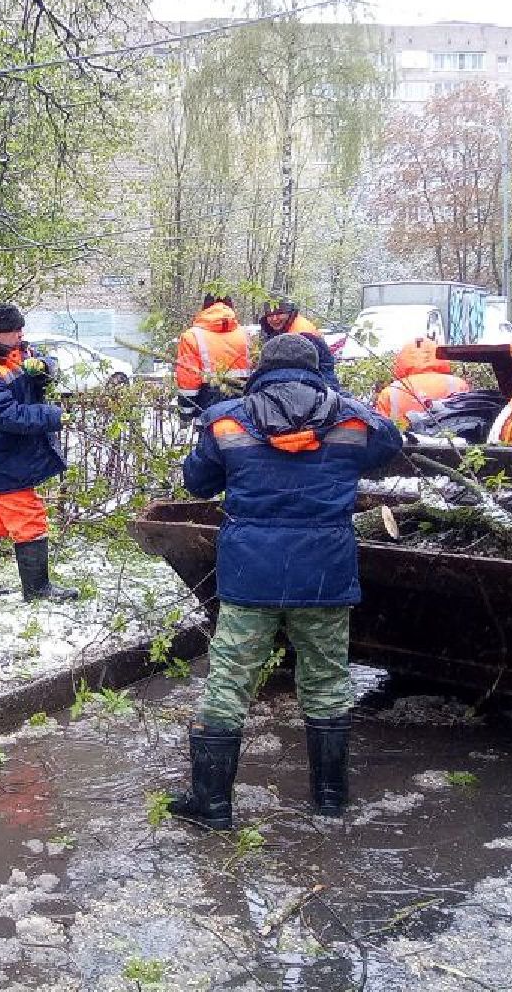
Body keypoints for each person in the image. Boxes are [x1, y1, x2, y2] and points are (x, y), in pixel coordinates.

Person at [172, 334, 403, 829]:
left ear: (261, 368)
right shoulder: (352, 419)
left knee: (229, 682)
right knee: (325, 682)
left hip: (249, 574)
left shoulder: (229, 418)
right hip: (324, 573)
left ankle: (211, 806)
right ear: (319, 368)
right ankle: (329, 800)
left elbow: (197, 483)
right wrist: (335, 392)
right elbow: (390, 442)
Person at [0, 303, 78, 603]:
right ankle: (37, 590)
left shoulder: (14, 351)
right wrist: (51, 416)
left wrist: (44, 369)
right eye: (16, 330)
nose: (22, 335)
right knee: (29, 517)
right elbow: (5, 415)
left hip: (6, 456)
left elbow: (45, 363)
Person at [174, 296, 251, 424]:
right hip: (242, 412)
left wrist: (185, 413)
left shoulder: (191, 337)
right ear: (231, 308)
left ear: (204, 308)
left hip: (207, 410)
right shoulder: (245, 335)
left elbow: (188, 381)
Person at [374, 337, 470, 424]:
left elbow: (381, 432)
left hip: (403, 443)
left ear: (401, 360)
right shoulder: (458, 384)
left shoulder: (390, 392)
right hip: (451, 441)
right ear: (439, 356)